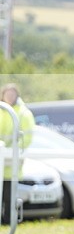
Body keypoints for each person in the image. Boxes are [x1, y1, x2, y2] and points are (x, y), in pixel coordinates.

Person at [0, 83, 35, 224]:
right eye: (7, 94)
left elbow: (26, 138)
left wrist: (11, 150)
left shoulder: (23, 113)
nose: (9, 97)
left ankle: (9, 222)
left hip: (12, 165)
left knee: (9, 197)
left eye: (12, 94)